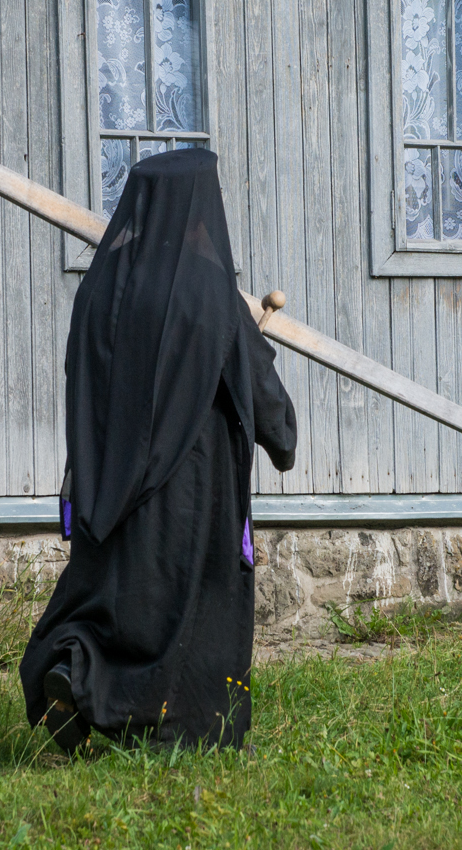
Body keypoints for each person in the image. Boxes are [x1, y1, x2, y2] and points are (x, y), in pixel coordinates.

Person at [19, 148, 297, 751]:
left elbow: (82, 376)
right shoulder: (212, 296)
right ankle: (184, 729)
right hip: (192, 490)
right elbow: (259, 390)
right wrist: (282, 437)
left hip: (112, 482)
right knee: (186, 613)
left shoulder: (101, 290)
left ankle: (75, 666)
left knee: (109, 597)